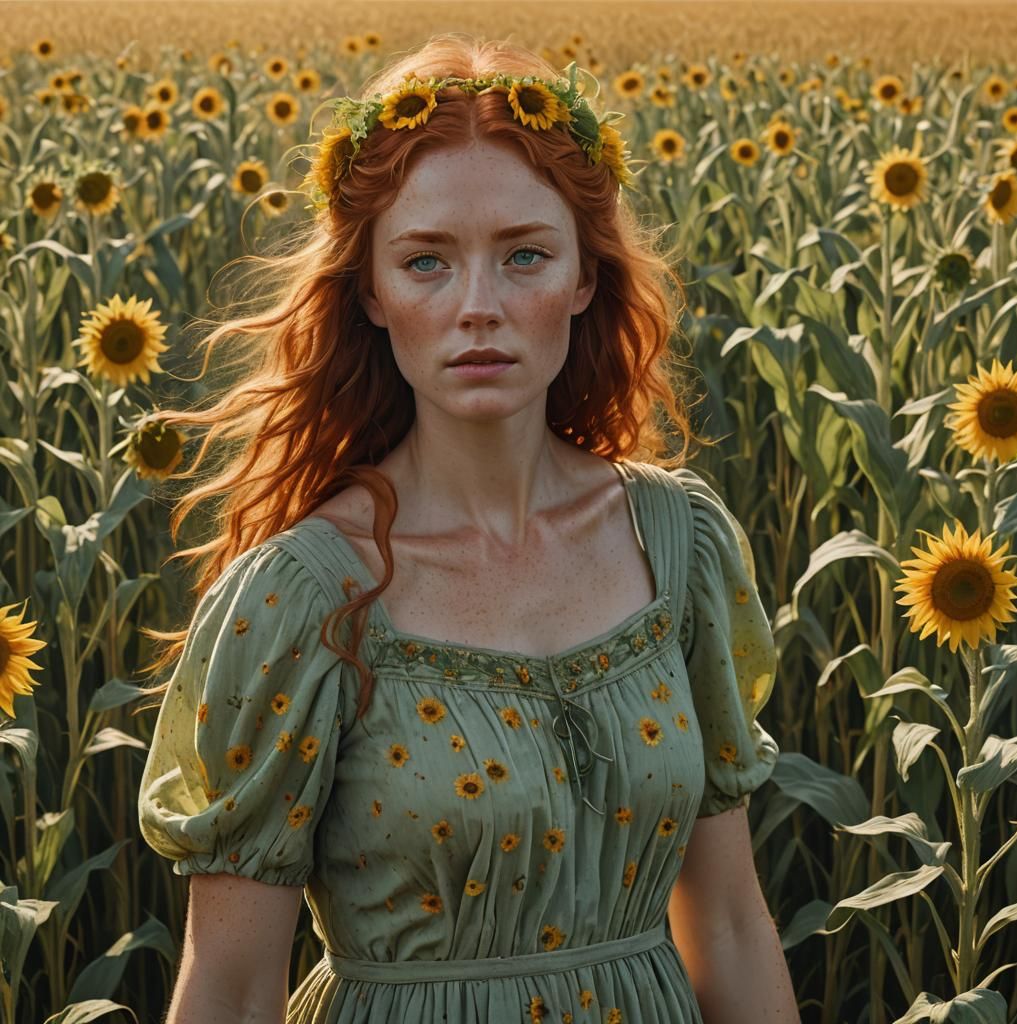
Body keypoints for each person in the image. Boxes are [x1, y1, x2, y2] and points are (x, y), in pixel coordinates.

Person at [135, 32, 800, 1024]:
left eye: (524, 255)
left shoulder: (679, 545)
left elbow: (734, 925)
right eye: (427, 262)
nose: (478, 308)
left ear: (583, 278)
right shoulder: (303, 597)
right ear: (371, 291)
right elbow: (230, 990)